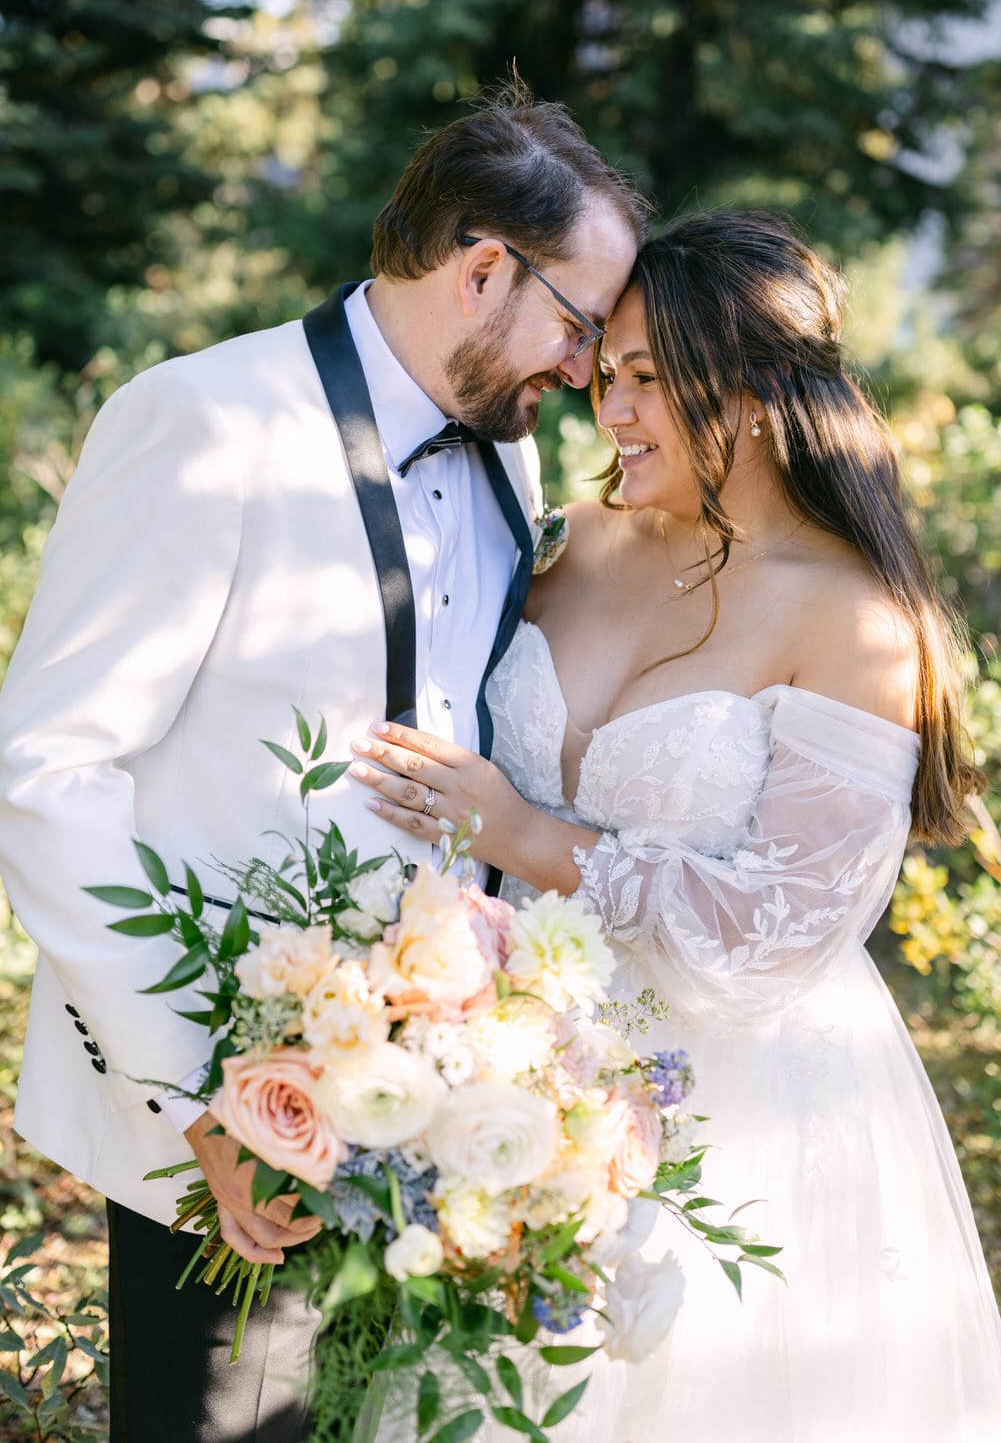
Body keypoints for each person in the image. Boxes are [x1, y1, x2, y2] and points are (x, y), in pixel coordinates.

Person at [0, 84, 644, 1441]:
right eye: (581, 325)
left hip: (430, 1135)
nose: (590, 372)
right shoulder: (204, 423)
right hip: (221, 1138)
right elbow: (47, 772)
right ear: (482, 268)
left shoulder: (509, 466)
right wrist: (203, 1106)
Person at [348, 210, 1001, 1441]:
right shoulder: (570, 541)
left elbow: (779, 936)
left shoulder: (853, 620)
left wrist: (528, 837)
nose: (609, 409)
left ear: (751, 394)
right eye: (605, 372)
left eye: (648, 380)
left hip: (736, 1117)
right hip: (512, 1072)